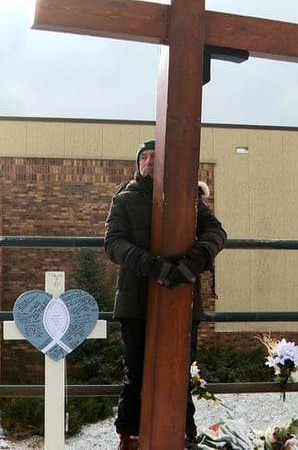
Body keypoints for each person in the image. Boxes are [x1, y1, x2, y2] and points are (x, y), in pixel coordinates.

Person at [104, 138, 227, 450]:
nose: (148, 162)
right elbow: (113, 243)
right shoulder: (125, 196)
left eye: (154, 157)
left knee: (180, 369)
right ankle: (129, 436)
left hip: (182, 299)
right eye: (143, 157)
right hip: (135, 298)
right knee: (135, 370)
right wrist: (153, 266)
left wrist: (191, 264)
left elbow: (216, 233)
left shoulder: (188, 197)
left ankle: (184, 433)